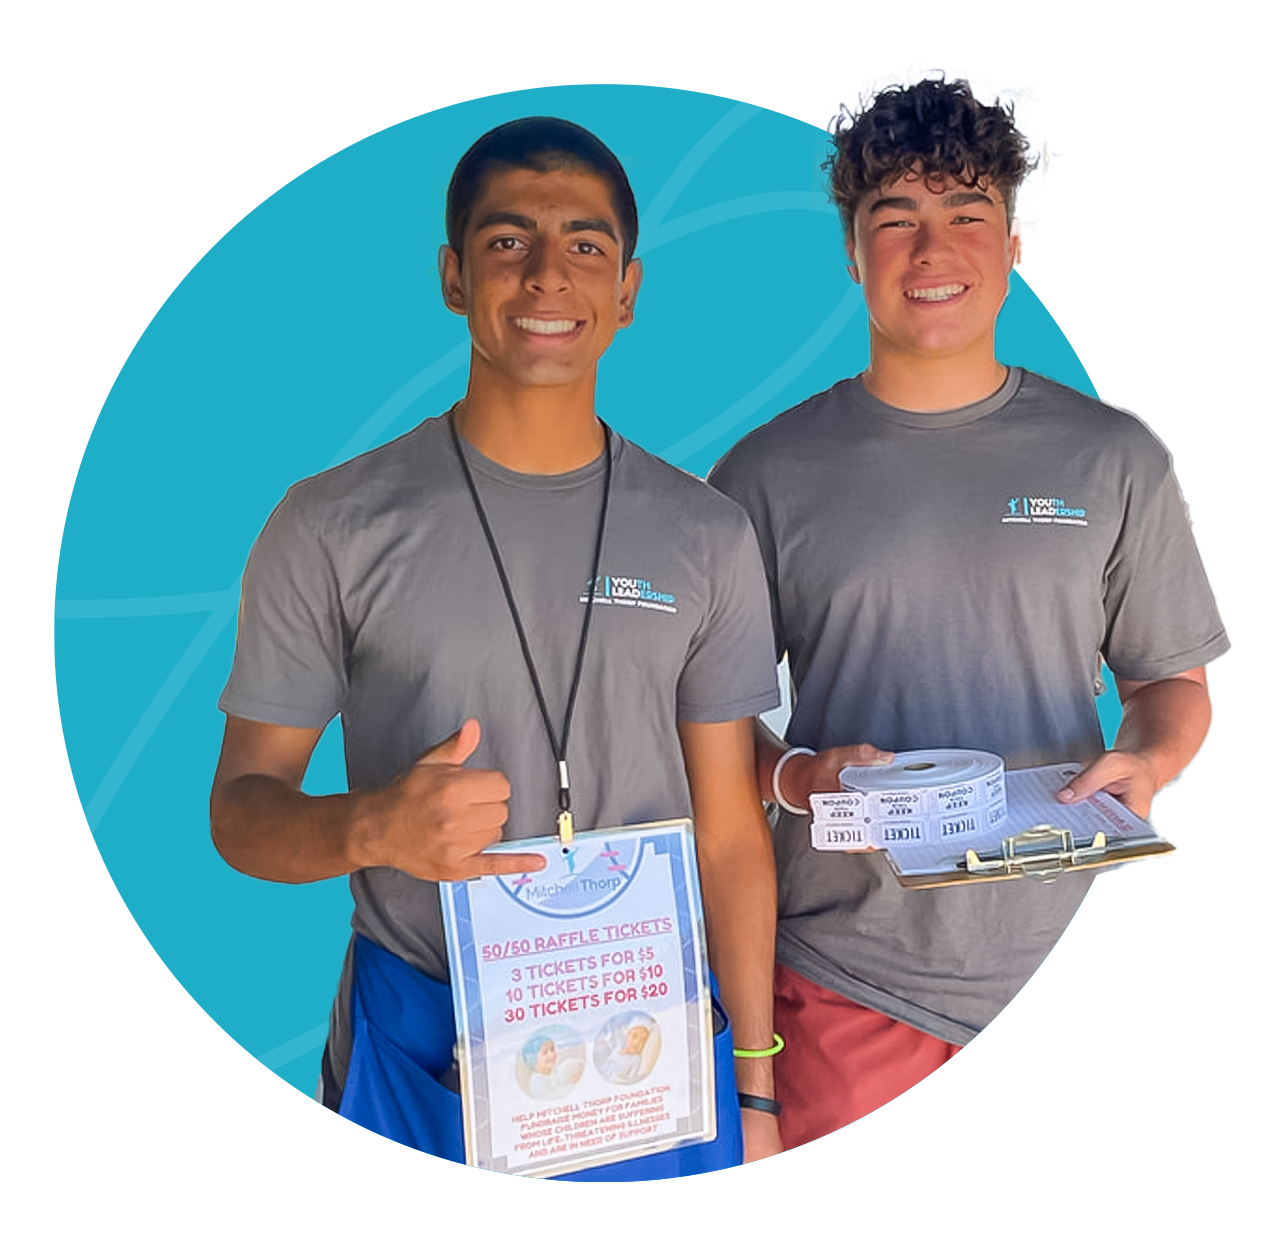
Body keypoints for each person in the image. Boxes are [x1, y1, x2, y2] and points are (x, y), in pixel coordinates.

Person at [209, 116, 783, 1177]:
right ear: (453, 277)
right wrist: (372, 826)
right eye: (508, 241)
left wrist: (752, 1082)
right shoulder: (330, 524)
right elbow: (240, 811)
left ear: (627, 290)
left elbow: (729, 832)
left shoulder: (706, 534)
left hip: (651, 1036)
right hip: (424, 1039)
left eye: (585, 245)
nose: (547, 274)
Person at [708, 73, 1231, 1151]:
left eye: (965, 213)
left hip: (1068, 964)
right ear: (852, 250)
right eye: (894, 217)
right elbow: (699, 727)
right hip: (844, 972)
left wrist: (1147, 761)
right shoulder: (763, 472)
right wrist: (794, 778)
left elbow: (1171, 683)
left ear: (1015, 239)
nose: (930, 249)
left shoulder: (1112, 455)